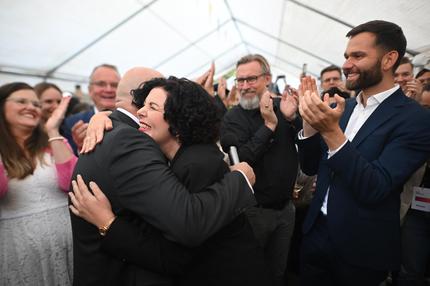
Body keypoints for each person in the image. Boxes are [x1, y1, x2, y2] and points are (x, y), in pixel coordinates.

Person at [71, 76, 271, 285]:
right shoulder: (178, 156)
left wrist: (107, 224)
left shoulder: (197, 164)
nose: (139, 111)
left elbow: (175, 257)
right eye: (143, 104)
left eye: (152, 106)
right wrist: (101, 117)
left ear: (177, 118)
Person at [297, 20, 430, 286]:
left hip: (361, 251)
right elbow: (313, 167)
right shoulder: (342, 107)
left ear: (389, 59)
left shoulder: (415, 120)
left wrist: (332, 133)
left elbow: (376, 186)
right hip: (316, 236)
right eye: (347, 56)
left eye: (358, 56)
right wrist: (309, 125)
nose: (346, 64)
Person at [220, 54, 300, 285]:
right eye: (240, 80)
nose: (244, 86)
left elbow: (306, 145)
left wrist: (293, 118)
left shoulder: (283, 108)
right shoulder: (232, 118)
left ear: (267, 78)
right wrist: (269, 126)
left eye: (251, 79)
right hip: (253, 213)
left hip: (286, 211)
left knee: (277, 272)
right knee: (249, 272)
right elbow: (242, 161)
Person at [0, 82, 77, 285]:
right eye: (22, 101)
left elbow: (71, 183)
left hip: (69, 244)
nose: (31, 107)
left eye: (35, 103)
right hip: (20, 249)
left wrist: (52, 131)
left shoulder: (55, 142)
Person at [63, 63, 120, 154]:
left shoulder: (136, 121)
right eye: (101, 84)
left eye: (114, 85)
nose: (109, 90)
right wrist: (80, 148)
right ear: (90, 90)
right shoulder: (72, 123)